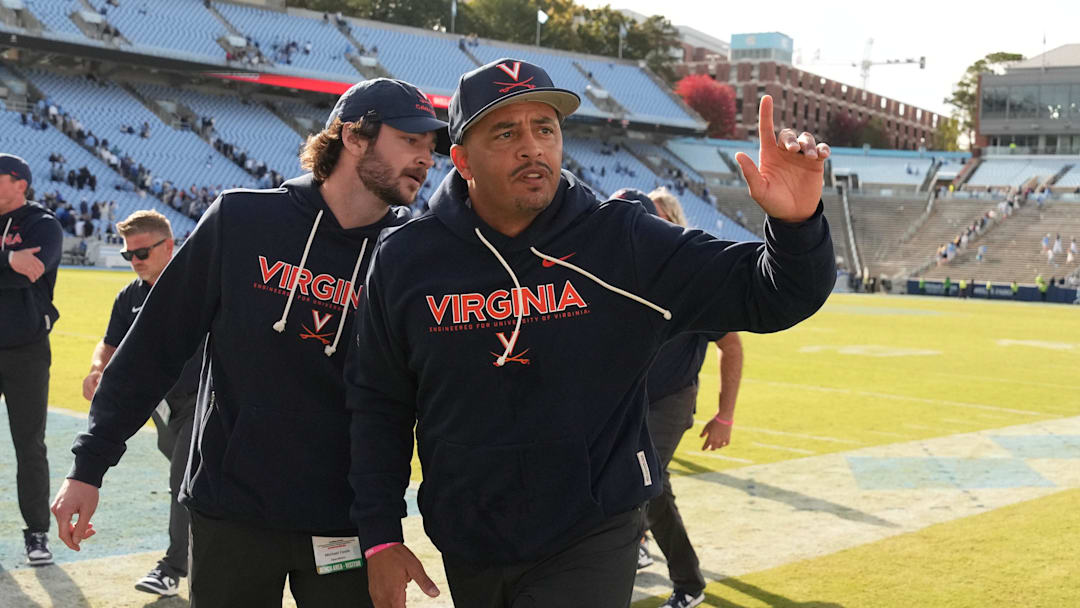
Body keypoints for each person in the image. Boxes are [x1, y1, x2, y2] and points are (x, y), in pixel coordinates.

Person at [345, 59, 834, 608]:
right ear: (460, 159)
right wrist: (381, 535)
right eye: (506, 132)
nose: (532, 147)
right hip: (469, 535)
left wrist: (796, 226)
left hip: (591, 528)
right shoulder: (407, 259)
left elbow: (771, 294)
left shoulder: (621, 240)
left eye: (545, 129)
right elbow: (379, 405)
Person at [49, 79, 447, 607]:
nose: (426, 158)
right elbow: (154, 347)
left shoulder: (410, 257)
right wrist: (89, 466)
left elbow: (420, 397)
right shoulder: (243, 220)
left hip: (347, 521)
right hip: (230, 508)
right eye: (410, 140)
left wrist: (385, 528)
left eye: (431, 146)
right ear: (353, 137)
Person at [616, 187, 744, 608]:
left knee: (649, 482)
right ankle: (633, 543)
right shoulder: (616, 275)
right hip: (628, 397)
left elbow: (732, 345)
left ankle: (689, 583)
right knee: (612, 475)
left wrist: (724, 415)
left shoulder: (689, 280)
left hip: (671, 397)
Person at [80, 210, 200, 596]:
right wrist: (99, 368)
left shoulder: (197, 284)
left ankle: (172, 567)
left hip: (201, 399)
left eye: (142, 253)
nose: (135, 262)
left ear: (168, 245)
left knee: (182, 480)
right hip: (159, 407)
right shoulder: (129, 295)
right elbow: (110, 341)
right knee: (196, 485)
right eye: (128, 255)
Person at [0, 154, 62, 566]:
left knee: (29, 445)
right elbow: (16, 269)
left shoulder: (42, 223)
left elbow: (31, 273)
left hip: (25, 349)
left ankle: (37, 533)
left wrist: (15, 268)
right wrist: (7, 259)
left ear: (19, 182)